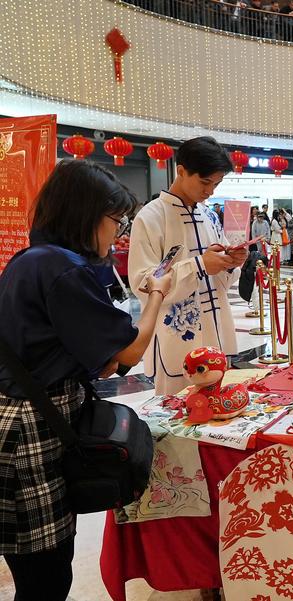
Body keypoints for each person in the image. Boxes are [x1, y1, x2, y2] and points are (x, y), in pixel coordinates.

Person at [0, 161, 172, 600]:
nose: (117, 232)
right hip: (33, 430)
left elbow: (88, 354)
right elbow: (129, 351)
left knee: (34, 562)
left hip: (21, 414)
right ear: (86, 214)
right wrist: (156, 295)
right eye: (115, 220)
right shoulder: (64, 269)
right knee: (46, 573)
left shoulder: (31, 259)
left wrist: (103, 358)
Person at [129, 136, 248, 395]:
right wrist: (199, 265)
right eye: (205, 182)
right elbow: (143, 282)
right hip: (176, 334)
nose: (210, 191)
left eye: (216, 184)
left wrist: (230, 262)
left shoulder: (209, 216)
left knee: (218, 409)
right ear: (181, 171)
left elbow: (221, 274)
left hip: (216, 329)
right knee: (177, 411)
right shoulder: (151, 217)